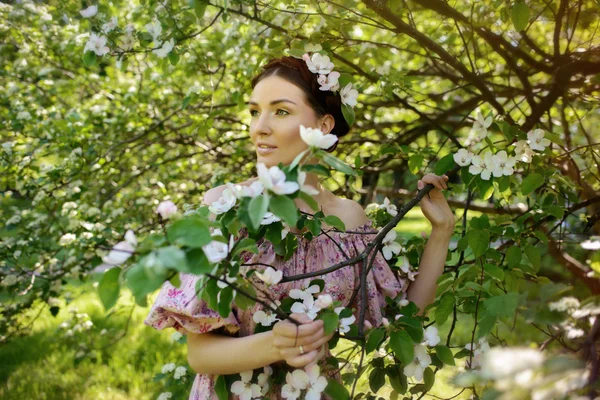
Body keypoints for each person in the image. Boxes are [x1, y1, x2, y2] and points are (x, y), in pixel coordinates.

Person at [144, 53, 455, 399]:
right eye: (254, 111)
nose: (259, 127)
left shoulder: (349, 219)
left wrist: (441, 232)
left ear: (323, 125)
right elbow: (200, 355)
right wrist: (275, 344)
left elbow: (401, 315)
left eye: (280, 111)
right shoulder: (226, 209)